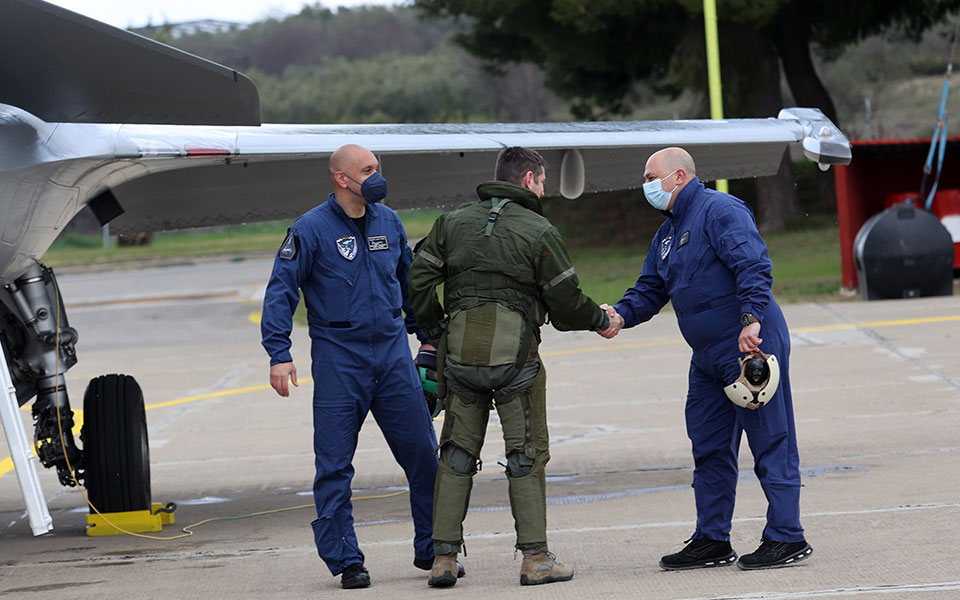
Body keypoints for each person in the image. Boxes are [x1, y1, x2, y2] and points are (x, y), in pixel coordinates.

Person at [408, 146, 614, 587]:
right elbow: (565, 300)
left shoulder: (451, 223)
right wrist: (601, 319)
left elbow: (418, 280)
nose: (544, 189)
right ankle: (535, 559)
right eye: (542, 181)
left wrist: (435, 330)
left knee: (456, 455)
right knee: (526, 455)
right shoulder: (539, 230)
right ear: (528, 181)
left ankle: (443, 559)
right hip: (516, 362)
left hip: (460, 360)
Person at [599, 147, 812, 571]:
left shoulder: (720, 210)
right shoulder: (665, 235)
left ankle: (787, 536)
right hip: (707, 358)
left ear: (678, 176)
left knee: (771, 440)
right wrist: (621, 315)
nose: (645, 186)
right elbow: (650, 289)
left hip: (749, 344)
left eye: (650, 177)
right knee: (709, 447)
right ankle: (712, 539)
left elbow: (752, 263)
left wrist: (751, 319)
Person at [261, 144, 449, 589]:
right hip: (338, 359)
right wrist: (279, 352)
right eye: (367, 170)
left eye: (377, 168)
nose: (377, 176)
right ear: (341, 179)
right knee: (334, 466)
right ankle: (346, 559)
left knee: (423, 455)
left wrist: (429, 336)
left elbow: (408, 283)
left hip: (391, 355)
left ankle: (435, 549)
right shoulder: (310, 229)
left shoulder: (389, 221)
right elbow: (281, 291)